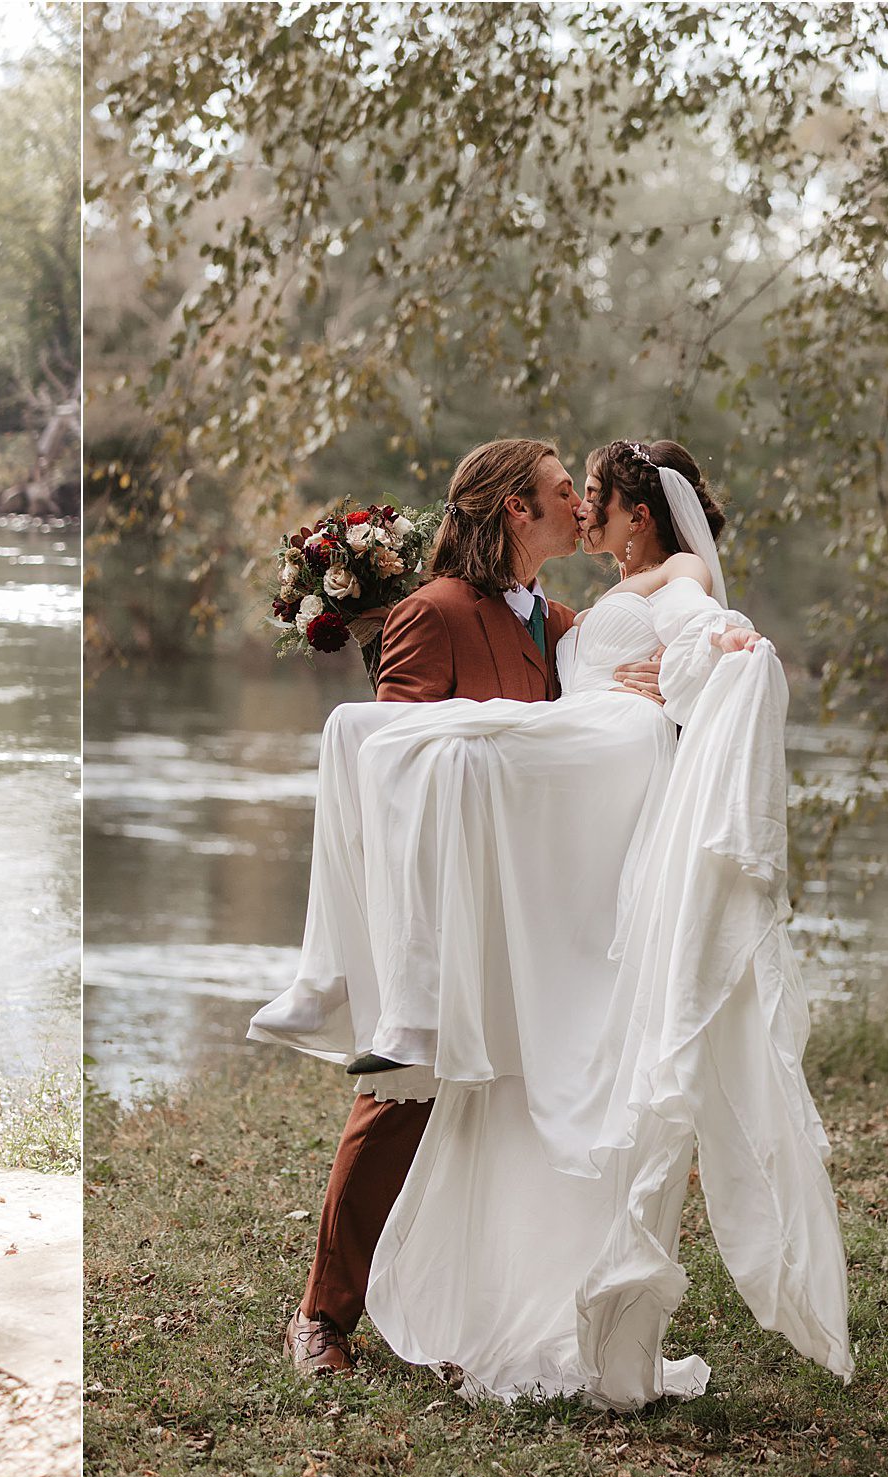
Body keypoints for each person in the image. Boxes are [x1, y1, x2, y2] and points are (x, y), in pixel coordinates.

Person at [253, 440, 851, 1406]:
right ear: (512, 511)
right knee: (404, 1091)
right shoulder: (432, 613)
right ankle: (323, 1313)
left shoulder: (559, 622)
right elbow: (394, 767)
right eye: (562, 490)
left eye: (587, 491)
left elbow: (634, 666)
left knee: (520, 1115)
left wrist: (695, 663)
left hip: (541, 911)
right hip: (454, 913)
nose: (580, 505)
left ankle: (482, 1314)